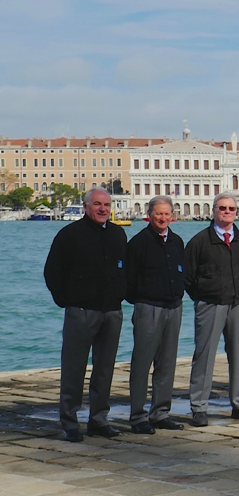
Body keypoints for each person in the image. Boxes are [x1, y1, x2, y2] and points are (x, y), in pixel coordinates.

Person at [44, 188, 127, 442]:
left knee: (105, 369)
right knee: (74, 369)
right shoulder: (69, 235)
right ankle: (69, 422)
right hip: (80, 311)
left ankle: (99, 420)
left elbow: (126, 269)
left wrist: (121, 294)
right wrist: (66, 301)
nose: (103, 209)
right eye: (97, 204)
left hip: (112, 311)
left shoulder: (118, 234)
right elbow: (52, 272)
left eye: (106, 205)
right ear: (85, 207)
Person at [185, 193, 239, 426]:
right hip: (210, 304)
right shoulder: (199, 241)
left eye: (231, 209)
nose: (227, 212)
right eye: (222, 208)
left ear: (236, 212)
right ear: (214, 210)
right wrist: (203, 296)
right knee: (204, 356)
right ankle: (199, 407)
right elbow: (188, 276)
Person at [124, 195, 186, 434]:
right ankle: (138, 416)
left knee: (167, 363)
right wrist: (141, 300)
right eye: (158, 213)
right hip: (148, 308)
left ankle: (160, 412)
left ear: (172, 216)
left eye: (166, 214)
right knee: (142, 363)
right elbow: (128, 279)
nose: (162, 218)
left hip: (174, 307)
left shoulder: (177, 242)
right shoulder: (139, 243)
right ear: (149, 215)